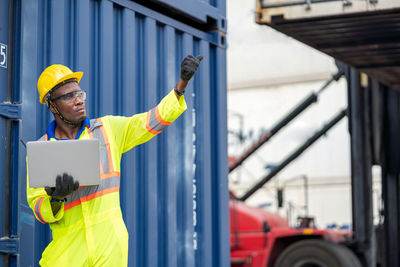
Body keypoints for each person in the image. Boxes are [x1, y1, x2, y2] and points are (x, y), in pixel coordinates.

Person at [26, 55, 203, 266]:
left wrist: (180, 86)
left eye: (80, 93)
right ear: (52, 106)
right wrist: (56, 200)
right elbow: (37, 207)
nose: (79, 100)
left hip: (109, 252)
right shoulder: (41, 151)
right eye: (69, 97)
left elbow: (152, 121)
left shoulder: (108, 130)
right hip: (67, 257)